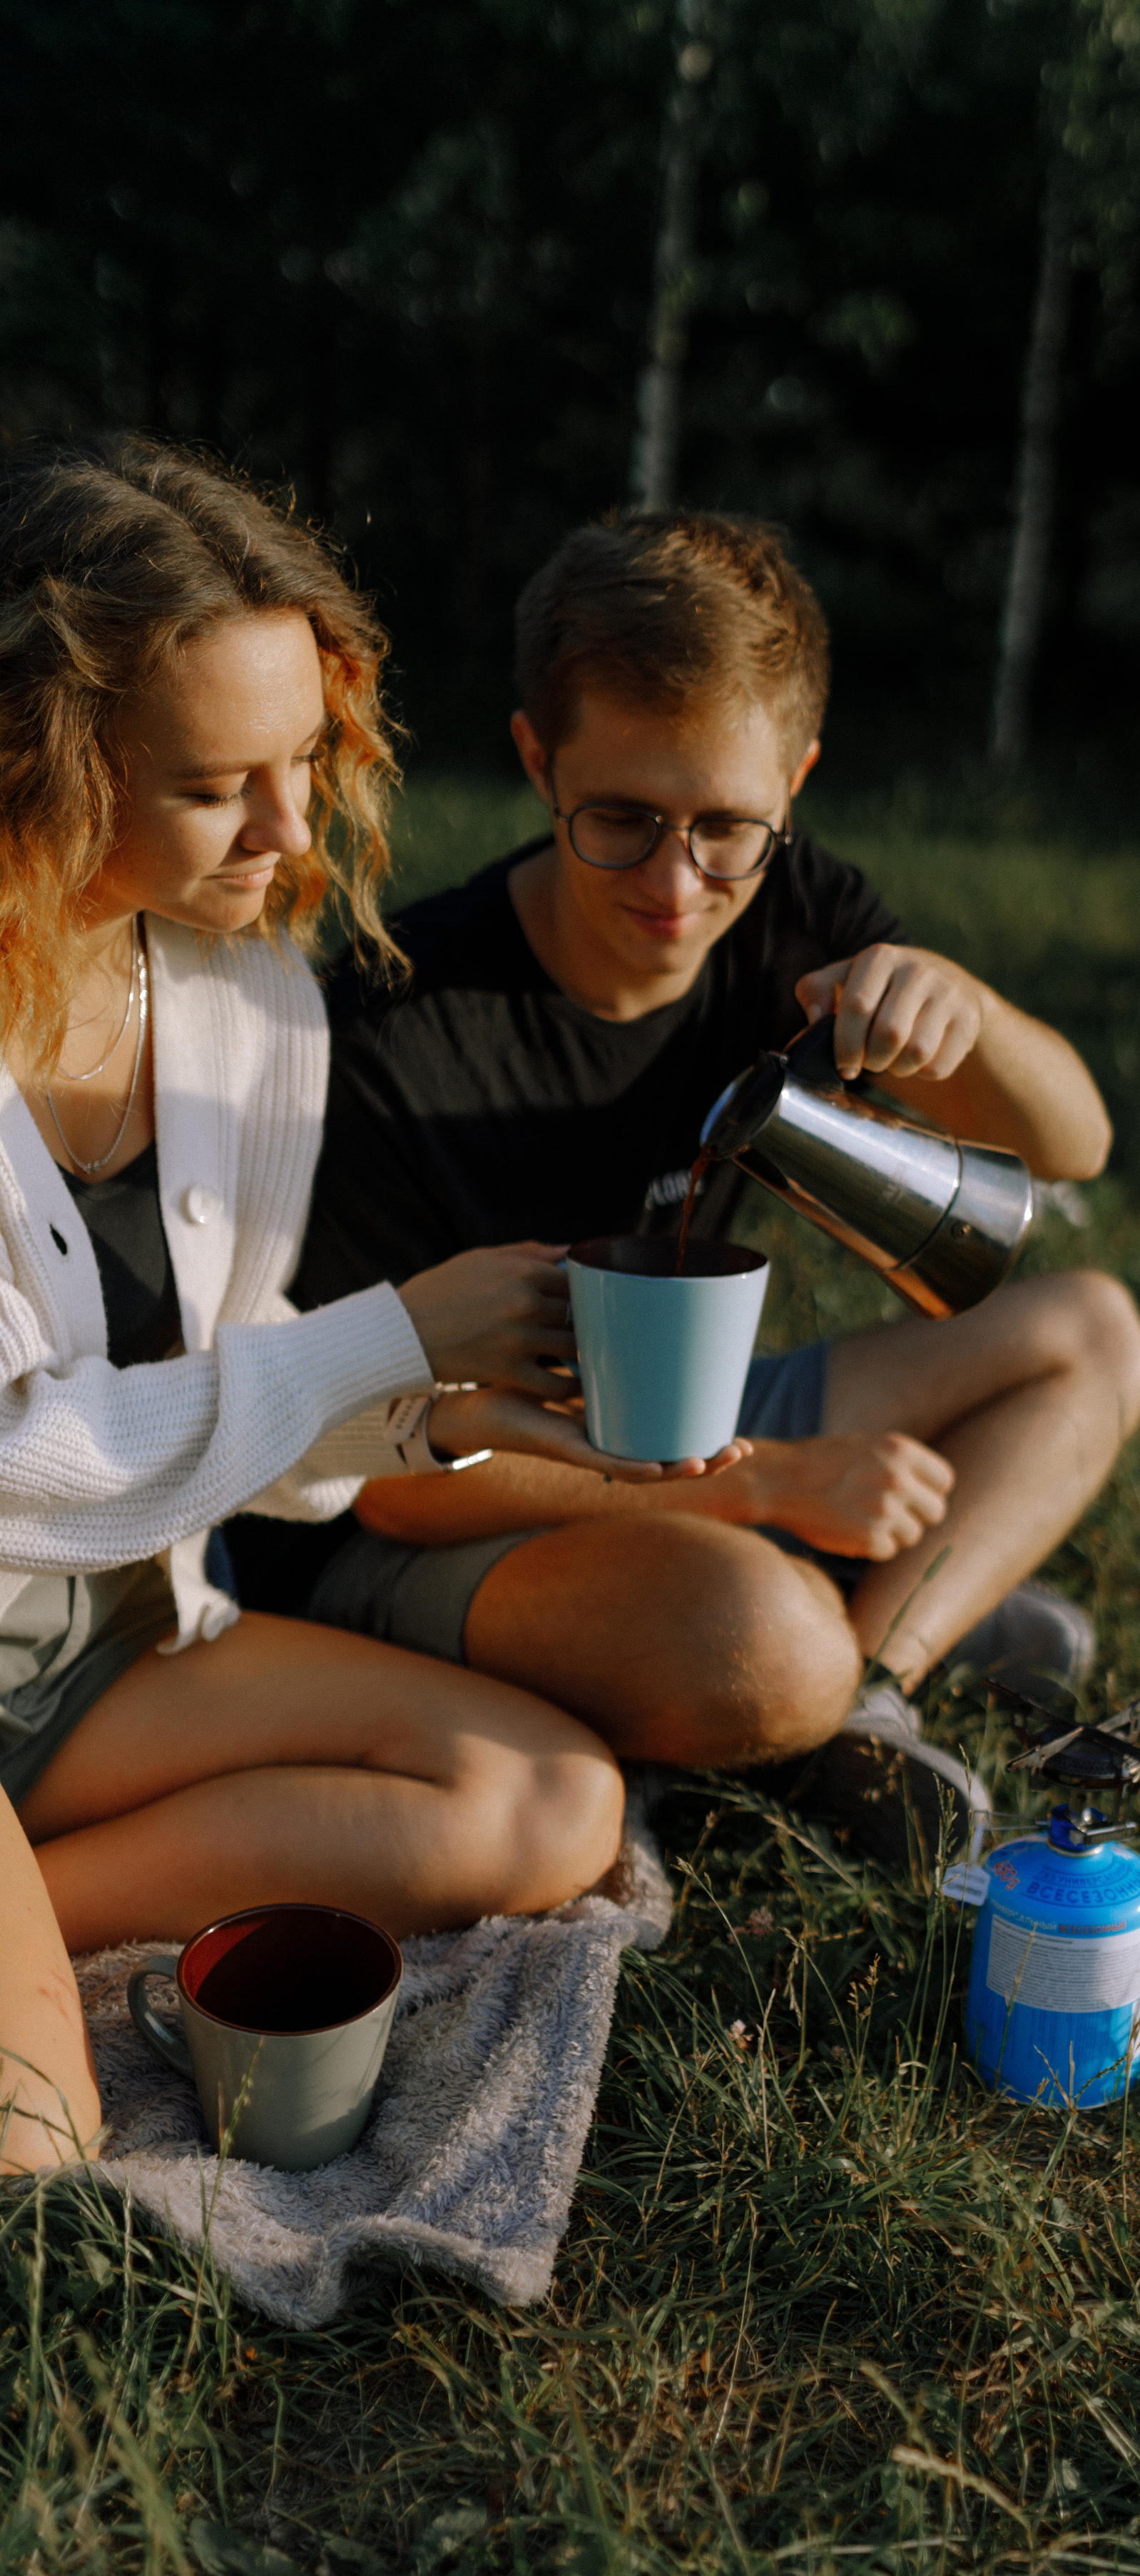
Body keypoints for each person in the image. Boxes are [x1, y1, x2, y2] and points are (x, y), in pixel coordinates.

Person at [230, 511, 1140, 1853]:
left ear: (799, 778)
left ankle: (870, 1694)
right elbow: (389, 1482)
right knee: (761, 1637)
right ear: (536, 760)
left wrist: (968, 1011)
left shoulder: (783, 909)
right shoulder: (389, 1036)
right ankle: (827, 1643)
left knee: (1094, 1335)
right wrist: (770, 1487)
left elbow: (1074, 1144)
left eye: (729, 826)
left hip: (684, 1422)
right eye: (621, 819)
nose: (677, 884)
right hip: (438, 1516)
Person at [0, 438, 687, 2169]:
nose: (292, 831)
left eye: (305, 759)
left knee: (555, 1799)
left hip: (106, 1660)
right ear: (45, 766)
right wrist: (390, 1334)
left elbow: (249, 1426)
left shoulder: (249, 1004)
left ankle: (34, 1908)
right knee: (36, 2155)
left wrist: (446, 1414)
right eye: (217, 782)